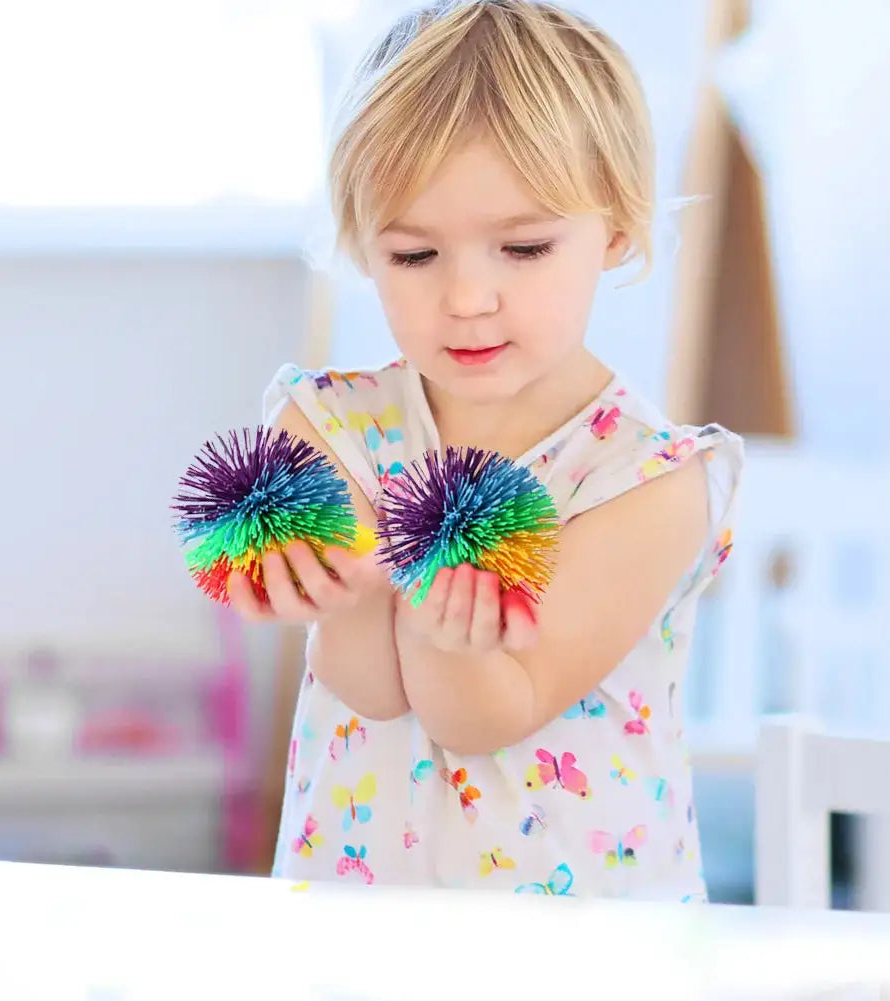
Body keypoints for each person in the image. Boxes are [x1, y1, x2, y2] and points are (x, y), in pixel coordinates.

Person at [229, 0, 743, 901]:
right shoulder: (330, 428)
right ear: (362, 246)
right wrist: (343, 598)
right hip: (358, 922)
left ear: (616, 229)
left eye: (523, 247)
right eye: (415, 255)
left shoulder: (646, 480)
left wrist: (441, 634)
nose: (467, 296)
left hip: (589, 939)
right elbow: (370, 689)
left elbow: (492, 713)